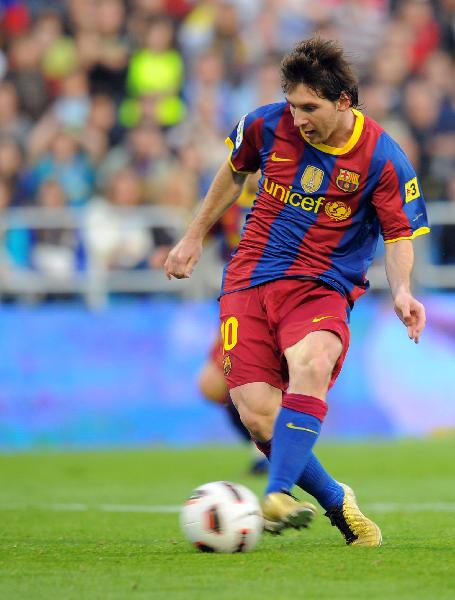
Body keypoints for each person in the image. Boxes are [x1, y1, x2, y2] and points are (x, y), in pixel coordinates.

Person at [164, 37, 429, 547]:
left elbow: (398, 235)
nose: (299, 117)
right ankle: (337, 502)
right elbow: (234, 171)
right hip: (249, 280)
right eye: (294, 105)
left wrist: (402, 292)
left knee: (312, 361)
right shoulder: (266, 123)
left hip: (321, 286)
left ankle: (279, 492)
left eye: (310, 107)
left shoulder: (383, 158)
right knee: (259, 417)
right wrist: (193, 235)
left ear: (343, 102)